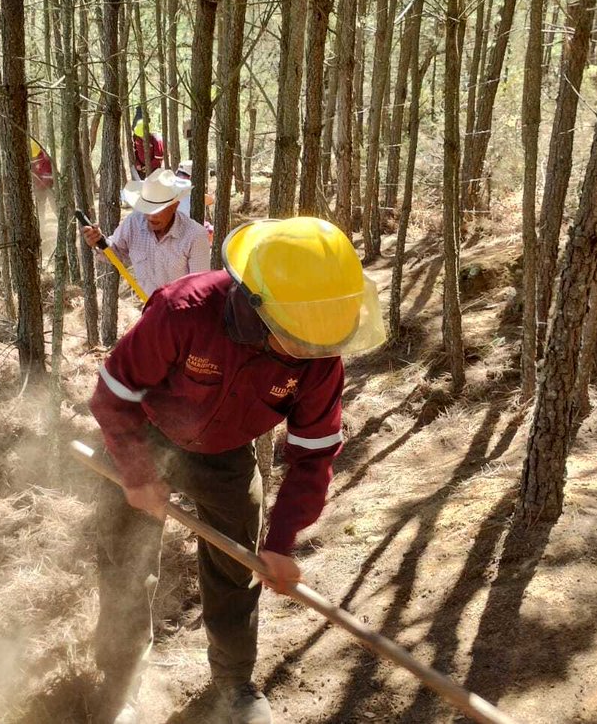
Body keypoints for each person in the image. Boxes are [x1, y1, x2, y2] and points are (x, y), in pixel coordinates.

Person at [89, 217, 386, 724]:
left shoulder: (319, 351)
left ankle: (233, 684)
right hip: (144, 435)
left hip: (227, 455)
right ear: (258, 306)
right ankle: (121, 683)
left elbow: (314, 451)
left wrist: (283, 539)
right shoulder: (183, 311)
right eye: (299, 340)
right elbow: (113, 395)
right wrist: (137, 474)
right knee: (126, 563)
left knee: (237, 568)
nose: (312, 354)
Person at [82, 169, 210, 298]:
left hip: (182, 311)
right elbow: (115, 253)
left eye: (158, 210)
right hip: (149, 307)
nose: (151, 216)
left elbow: (199, 289)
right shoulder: (134, 223)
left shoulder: (195, 235)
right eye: (147, 209)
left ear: (174, 206)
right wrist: (99, 241)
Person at [132, 109, 165, 178]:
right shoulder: (136, 138)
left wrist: (148, 167)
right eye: (139, 135)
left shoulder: (156, 140)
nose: (141, 137)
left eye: (142, 135)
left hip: (154, 172)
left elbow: (159, 158)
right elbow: (134, 153)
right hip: (141, 171)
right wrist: (137, 164)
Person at [29, 137, 54, 224]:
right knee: (39, 210)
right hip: (39, 188)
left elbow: (48, 178)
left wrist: (38, 187)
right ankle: (41, 227)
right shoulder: (31, 159)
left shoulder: (45, 159)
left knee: (55, 206)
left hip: (49, 187)